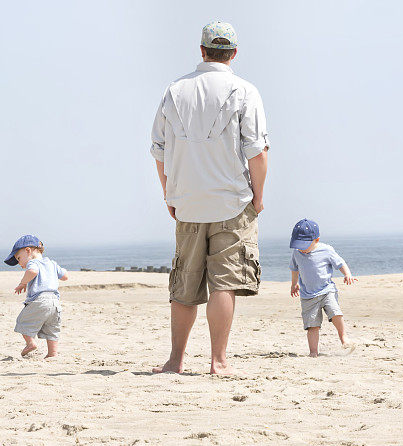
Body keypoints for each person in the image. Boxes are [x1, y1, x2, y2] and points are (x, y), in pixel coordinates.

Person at [149, 22, 269, 375]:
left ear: (201, 50)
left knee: (184, 283)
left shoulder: (175, 90)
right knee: (224, 283)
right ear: (233, 53)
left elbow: (158, 149)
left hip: (187, 200)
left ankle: (176, 361)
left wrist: (168, 192)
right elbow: (257, 152)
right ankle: (218, 361)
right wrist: (258, 198)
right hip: (232, 201)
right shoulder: (245, 91)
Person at [289, 219, 357, 357]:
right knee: (312, 325)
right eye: (299, 244)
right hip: (308, 295)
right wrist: (294, 283)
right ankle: (313, 352)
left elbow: (340, 263)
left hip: (327, 290)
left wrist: (347, 274)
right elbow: (294, 268)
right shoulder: (297, 253)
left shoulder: (326, 250)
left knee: (335, 312)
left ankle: (344, 338)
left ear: (316, 240)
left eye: (305, 245)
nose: (302, 248)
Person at [4, 235, 68, 359]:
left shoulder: (33, 262)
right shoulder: (52, 263)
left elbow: (33, 271)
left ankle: (30, 343)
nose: (19, 263)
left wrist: (23, 283)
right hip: (55, 302)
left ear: (28, 251)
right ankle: (52, 354)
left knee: (22, 321)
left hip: (40, 300)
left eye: (19, 258)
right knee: (52, 329)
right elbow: (65, 276)